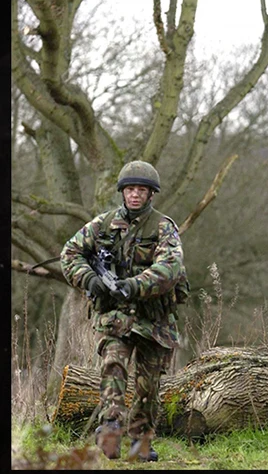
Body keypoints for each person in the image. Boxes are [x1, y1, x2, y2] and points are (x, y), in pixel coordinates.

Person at [60, 161, 189, 461]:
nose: (134, 195)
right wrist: (90, 279)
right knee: (113, 368)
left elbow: (170, 267)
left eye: (140, 190)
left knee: (148, 385)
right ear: (122, 192)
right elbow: (70, 253)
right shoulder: (103, 224)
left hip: (154, 319)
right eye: (130, 189)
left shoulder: (162, 227)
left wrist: (134, 285)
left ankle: (140, 442)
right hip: (116, 317)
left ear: (150, 194)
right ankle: (110, 427)